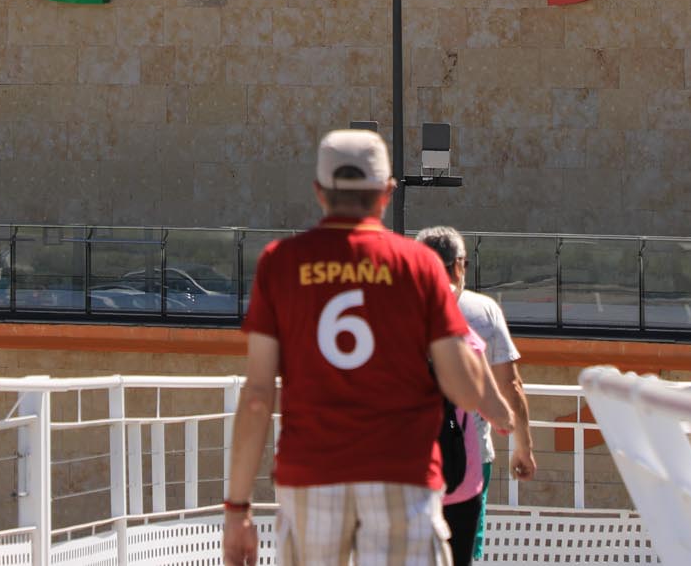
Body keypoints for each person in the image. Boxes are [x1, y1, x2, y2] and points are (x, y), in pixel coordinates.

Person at [224, 130, 515, 566]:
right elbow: (461, 385)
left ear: (319, 192)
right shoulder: (418, 266)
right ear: (386, 192)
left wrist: (238, 509)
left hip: (312, 479)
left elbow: (257, 397)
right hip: (403, 478)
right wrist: (496, 405)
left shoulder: (280, 263)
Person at [413, 227, 537, 562]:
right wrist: (521, 443)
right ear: (459, 267)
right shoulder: (477, 316)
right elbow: (507, 388)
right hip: (464, 464)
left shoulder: (387, 314)